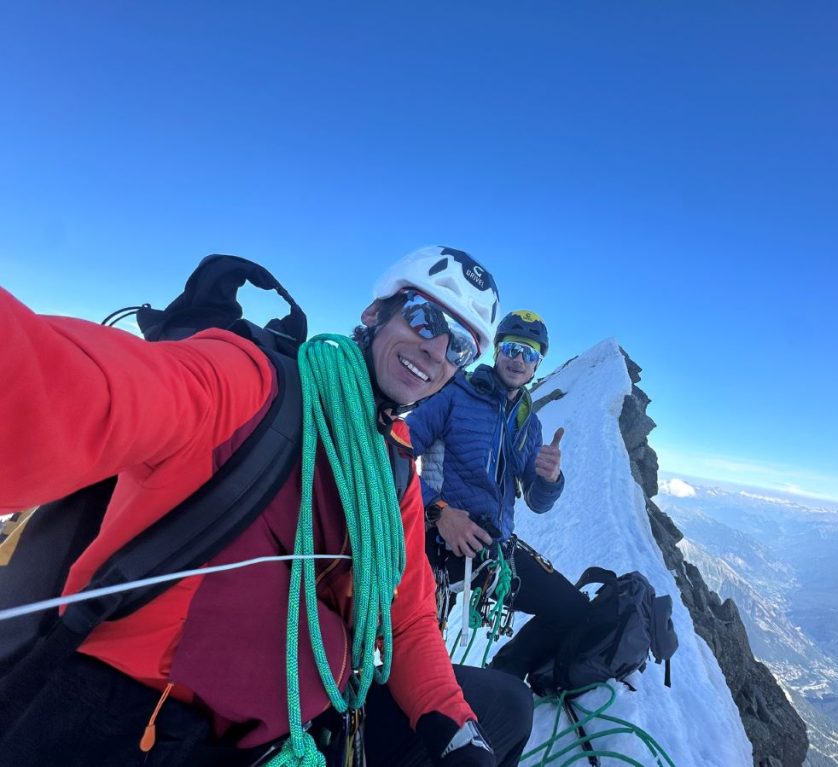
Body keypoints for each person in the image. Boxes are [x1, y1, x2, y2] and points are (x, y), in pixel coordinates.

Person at [0, 247, 533, 766]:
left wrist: (455, 729)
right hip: (131, 719)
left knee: (506, 705)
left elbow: (407, 619)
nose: (437, 349)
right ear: (375, 313)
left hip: (291, 732)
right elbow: (74, 389)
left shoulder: (392, 468)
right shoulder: (253, 383)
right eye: (424, 318)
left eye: (460, 344)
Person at [406, 310, 588, 681]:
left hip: (495, 551)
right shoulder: (453, 395)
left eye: (529, 353)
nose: (518, 359)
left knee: (571, 609)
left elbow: (536, 502)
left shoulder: (528, 422)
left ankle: (503, 680)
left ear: (538, 363)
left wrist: (550, 479)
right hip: (440, 546)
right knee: (419, 660)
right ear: (497, 352)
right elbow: (396, 451)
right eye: (511, 348)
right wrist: (439, 512)